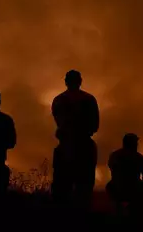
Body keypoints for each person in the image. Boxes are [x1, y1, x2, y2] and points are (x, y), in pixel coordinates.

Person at [51, 70, 100, 207]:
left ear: (66, 82)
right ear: (80, 81)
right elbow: (95, 125)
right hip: (83, 146)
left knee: (62, 187)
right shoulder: (89, 99)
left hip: (66, 145)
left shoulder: (59, 100)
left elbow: (58, 120)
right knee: (83, 187)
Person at [106, 133, 143, 207]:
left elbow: (111, 167)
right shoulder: (140, 158)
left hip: (118, 190)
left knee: (109, 186)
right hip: (135, 190)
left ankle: (118, 206)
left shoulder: (114, 155)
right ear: (134, 144)